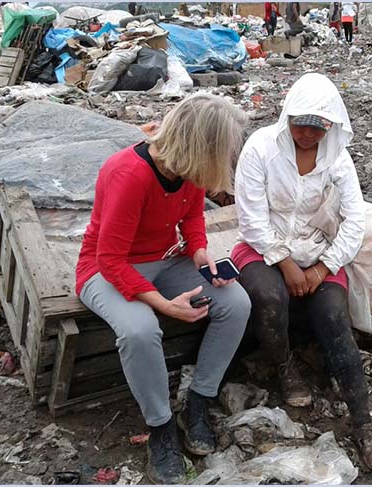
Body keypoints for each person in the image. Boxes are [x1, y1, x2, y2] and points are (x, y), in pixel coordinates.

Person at [75, 94, 251, 485]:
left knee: (235, 302)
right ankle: (161, 426)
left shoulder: (185, 170)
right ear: (200, 146)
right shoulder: (129, 173)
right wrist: (164, 306)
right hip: (105, 268)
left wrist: (201, 253)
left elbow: (191, 217)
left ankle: (199, 400)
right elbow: (111, 260)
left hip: (164, 258)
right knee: (139, 330)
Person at [232, 73, 372, 473]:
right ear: (287, 116)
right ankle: (285, 370)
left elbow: (354, 220)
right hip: (264, 249)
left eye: (317, 126)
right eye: (300, 123)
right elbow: (251, 218)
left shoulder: (337, 157)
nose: (307, 133)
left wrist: (322, 268)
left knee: (335, 317)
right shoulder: (261, 148)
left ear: (331, 126)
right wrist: (285, 263)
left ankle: (364, 424)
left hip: (320, 251)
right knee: (270, 298)